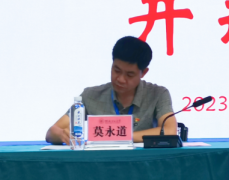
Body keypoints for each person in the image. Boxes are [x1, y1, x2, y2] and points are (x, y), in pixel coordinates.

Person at [46, 36, 176, 145]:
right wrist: (62, 135)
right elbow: (51, 132)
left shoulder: (158, 94)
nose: (121, 79)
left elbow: (170, 131)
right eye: (116, 70)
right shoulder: (90, 96)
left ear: (144, 73)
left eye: (129, 75)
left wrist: (121, 136)